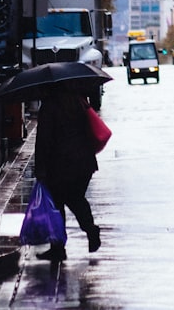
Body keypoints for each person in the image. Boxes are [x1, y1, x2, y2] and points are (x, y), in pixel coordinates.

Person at [33, 81, 102, 262]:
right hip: (84, 163)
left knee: (58, 205)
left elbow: (43, 142)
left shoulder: (49, 107)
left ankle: (59, 247)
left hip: (61, 165)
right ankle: (89, 229)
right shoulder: (78, 101)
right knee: (76, 198)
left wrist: (40, 169)